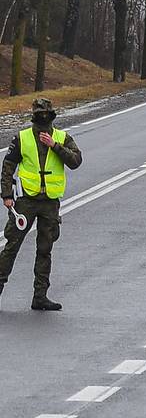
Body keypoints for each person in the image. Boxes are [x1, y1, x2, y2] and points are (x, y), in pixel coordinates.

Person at [0, 97, 83, 311]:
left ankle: (40, 296)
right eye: (39, 115)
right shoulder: (22, 138)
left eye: (46, 115)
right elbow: (8, 166)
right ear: (34, 117)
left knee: (45, 248)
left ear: (52, 116)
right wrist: (7, 195)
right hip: (26, 201)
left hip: (49, 202)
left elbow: (76, 161)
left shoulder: (62, 138)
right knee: (11, 246)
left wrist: (55, 146)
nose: (43, 119)